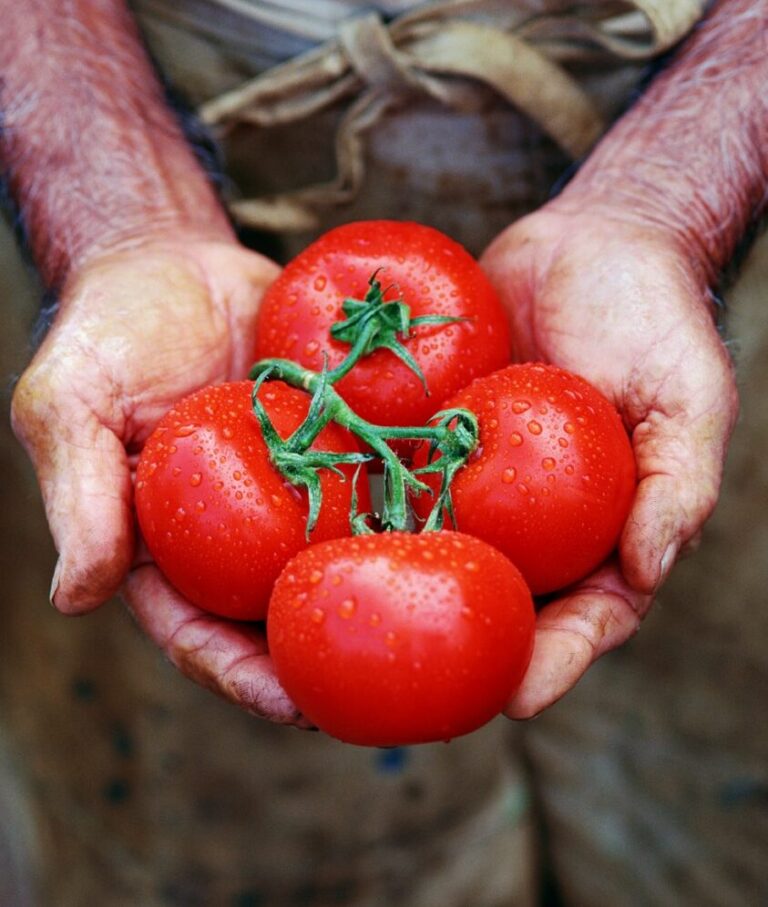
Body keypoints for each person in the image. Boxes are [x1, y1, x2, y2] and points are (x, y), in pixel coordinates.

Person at [1, 0, 765, 903]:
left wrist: (676, 194)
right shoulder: (258, 441)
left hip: (712, 90)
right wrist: (116, 214)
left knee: (712, 796)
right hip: (126, 77)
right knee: (218, 846)